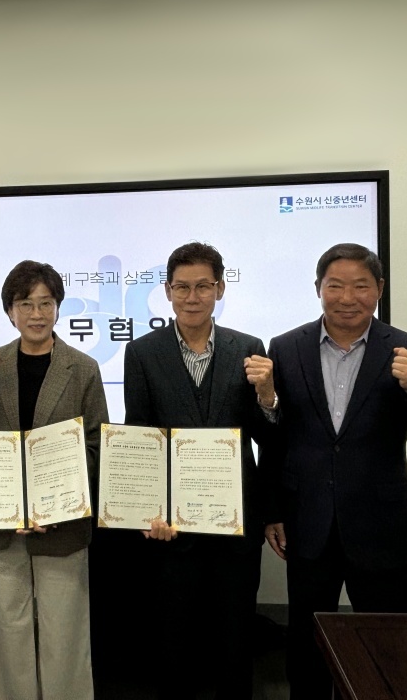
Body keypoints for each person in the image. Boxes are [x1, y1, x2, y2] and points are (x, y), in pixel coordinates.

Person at [263, 243, 407, 699]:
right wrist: (272, 510)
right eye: (335, 286)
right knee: (306, 651)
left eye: (360, 286)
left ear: (379, 289)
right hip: (308, 524)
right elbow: (278, 438)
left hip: (381, 527)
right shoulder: (286, 348)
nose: (347, 298)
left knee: (386, 653)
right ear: (318, 288)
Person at [118, 241, 276, 700]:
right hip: (173, 525)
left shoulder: (249, 349)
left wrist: (268, 396)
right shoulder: (142, 352)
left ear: (220, 289)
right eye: (182, 287)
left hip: (235, 522)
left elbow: (267, 435)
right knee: (174, 638)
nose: (192, 297)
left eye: (203, 286)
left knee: (236, 636)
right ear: (167, 291)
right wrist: (148, 511)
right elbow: (141, 436)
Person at [0, 260, 108, 700]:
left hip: (62, 525)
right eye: (25, 304)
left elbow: (97, 445)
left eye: (46, 303)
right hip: (2, 525)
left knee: (65, 631)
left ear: (59, 307)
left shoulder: (82, 368)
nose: (37, 313)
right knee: (6, 629)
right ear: (10, 311)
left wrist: (55, 504)